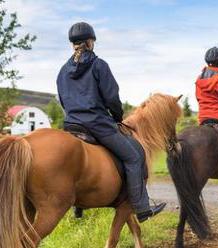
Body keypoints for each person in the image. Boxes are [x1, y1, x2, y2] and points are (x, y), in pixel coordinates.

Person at [56, 22, 166, 222]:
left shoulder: (63, 71)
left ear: (73, 44)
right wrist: (117, 117)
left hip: (71, 126)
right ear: (91, 42)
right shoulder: (99, 65)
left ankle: (78, 207)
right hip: (97, 125)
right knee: (134, 156)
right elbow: (112, 98)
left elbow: (63, 100)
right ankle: (142, 208)